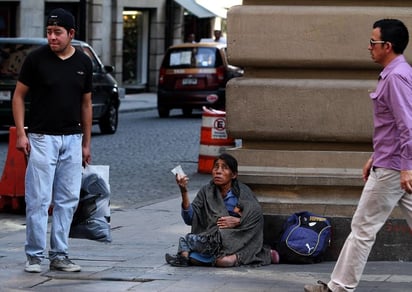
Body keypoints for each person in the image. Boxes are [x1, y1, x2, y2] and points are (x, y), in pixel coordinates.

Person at [304, 18, 412, 292]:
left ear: (387, 46)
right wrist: (375, 156)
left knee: (362, 229)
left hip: (393, 170)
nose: (369, 47)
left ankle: (338, 288)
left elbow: (407, 126)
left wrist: (405, 167)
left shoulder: (396, 77)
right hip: (394, 163)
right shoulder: (400, 72)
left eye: (373, 42)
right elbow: (394, 126)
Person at [12, 8, 92, 273]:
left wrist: (86, 143)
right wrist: (22, 134)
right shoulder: (35, 60)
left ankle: (60, 254)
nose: (52, 37)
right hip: (42, 138)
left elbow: (86, 104)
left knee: (68, 198)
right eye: (49, 32)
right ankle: (34, 255)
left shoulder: (83, 62)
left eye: (57, 32)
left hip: (72, 138)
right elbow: (18, 96)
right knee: (38, 198)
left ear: (71, 33)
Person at [165, 153, 279, 267]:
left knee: (188, 241)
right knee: (200, 256)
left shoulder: (242, 193)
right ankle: (187, 258)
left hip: (236, 238)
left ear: (233, 175)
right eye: (216, 167)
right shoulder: (206, 192)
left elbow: (256, 217)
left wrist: (239, 221)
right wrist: (184, 191)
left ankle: (259, 254)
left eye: (224, 168)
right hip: (213, 239)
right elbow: (190, 219)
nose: (218, 171)